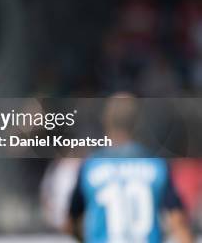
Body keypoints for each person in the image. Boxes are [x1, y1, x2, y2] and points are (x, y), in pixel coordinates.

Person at [66, 93, 193, 243]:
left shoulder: (90, 166)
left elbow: (71, 222)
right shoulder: (156, 166)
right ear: (138, 124)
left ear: (106, 121)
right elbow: (178, 222)